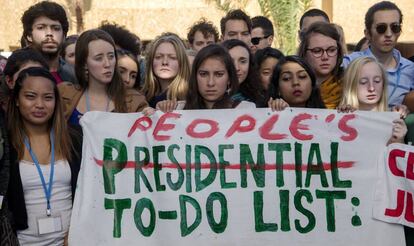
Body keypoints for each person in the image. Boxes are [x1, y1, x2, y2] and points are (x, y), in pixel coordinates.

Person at [7, 67, 82, 245]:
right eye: (30, 96)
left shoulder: (75, 138)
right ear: (17, 99)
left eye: (48, 97)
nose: (40, 104)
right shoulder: (6, 143)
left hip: (72, 240)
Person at [58, 29, 148, 125]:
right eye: (99, 58)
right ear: (84, 63)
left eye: (111, 56)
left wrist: (153, 114)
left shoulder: (134, 100)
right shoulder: (64, 93)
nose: (107, 64)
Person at [342, 1, 414, 109]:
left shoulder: (410, 68)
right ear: (367, 33)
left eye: (395, 27)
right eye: (381, 28)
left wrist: (405, 109)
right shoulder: (348, 63)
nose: (389, 34)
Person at [146, 44, 241, 113]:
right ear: (194, 76)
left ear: (229, 78)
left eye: (219, 74)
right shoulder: (177, 109)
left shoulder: (245, 110)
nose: (210, 83)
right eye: (203, 74)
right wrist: (155, 115)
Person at [339, 56, 407, 144]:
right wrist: (340, 118)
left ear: (383, 84)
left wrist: (399, 141)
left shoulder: (394, 122)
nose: (371, 88)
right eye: (363, 82)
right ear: (351, 85)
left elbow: (396, 157)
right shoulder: (340, 116)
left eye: (377, 81)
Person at [21, 1, 77, 84]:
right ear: (29, 35)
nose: (49, 33)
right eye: (41, 28)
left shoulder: (75, 76)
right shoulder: (18, 72)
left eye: (56, 28)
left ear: (64, 36)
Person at [298, 22, 344, 109]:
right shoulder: (294, 86)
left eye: (331, 50)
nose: (325, 57)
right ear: (304, 53)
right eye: (317, 51)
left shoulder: (351, 85)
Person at [142, 33, 190, 108]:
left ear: (182, 62)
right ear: (151, 62)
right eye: (158, 57)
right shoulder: (141, 97)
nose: (165, 62)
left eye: (172, 57)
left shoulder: (192, 97)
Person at [222, 39, 267, 107]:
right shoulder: (208, 97)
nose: (236, 68)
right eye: (230, 62)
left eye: (243, 61)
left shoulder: (260, 97)